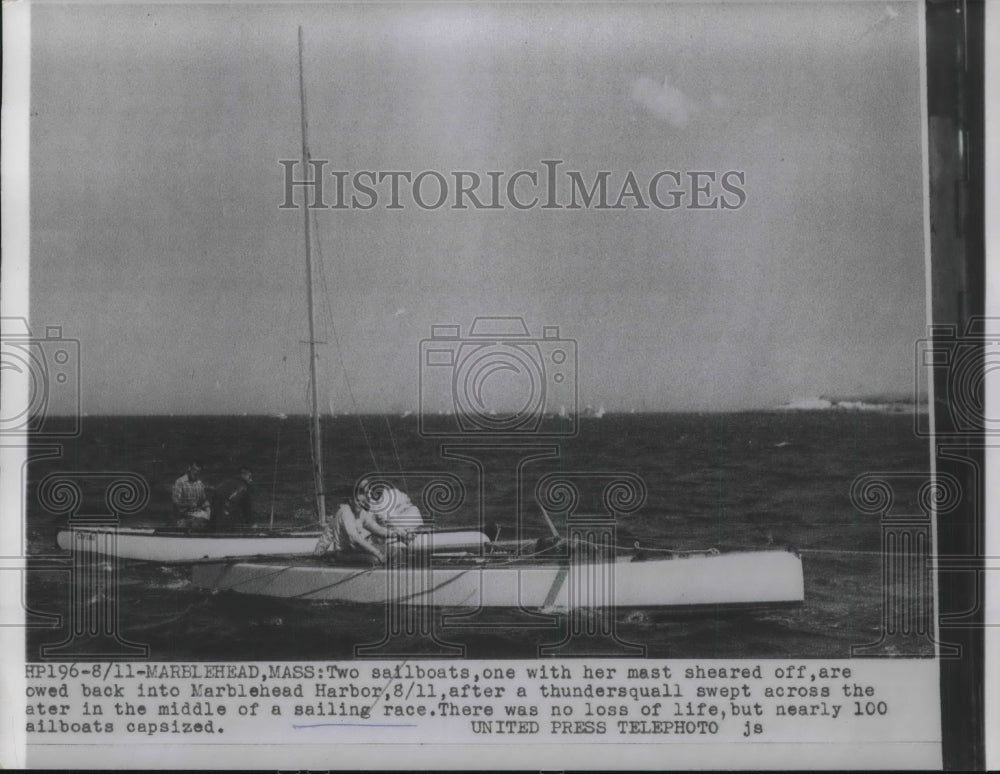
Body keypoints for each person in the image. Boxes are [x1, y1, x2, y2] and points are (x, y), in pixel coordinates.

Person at [314, 484, 413, 563]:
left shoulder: (361, 513)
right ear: (350, 500)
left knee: (396, 551)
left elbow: (378, 529)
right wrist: (377, 553)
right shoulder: (345, 512)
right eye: (358, 501)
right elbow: (354, 537)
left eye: (363, 502)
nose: (361, 504)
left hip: (357, 550)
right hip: (344, 553)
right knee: (375, 560)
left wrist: (398, 534)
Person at [172, 461, 210, 528]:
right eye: (194, 470)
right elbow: (175, 502)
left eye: (198, 471)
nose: (195, 473)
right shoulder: (180, 482)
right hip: (184, 516)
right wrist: (189, 505)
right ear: (189, 468)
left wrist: (208, 511)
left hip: (199, 515)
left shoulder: (199, 483)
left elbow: (204, 500)